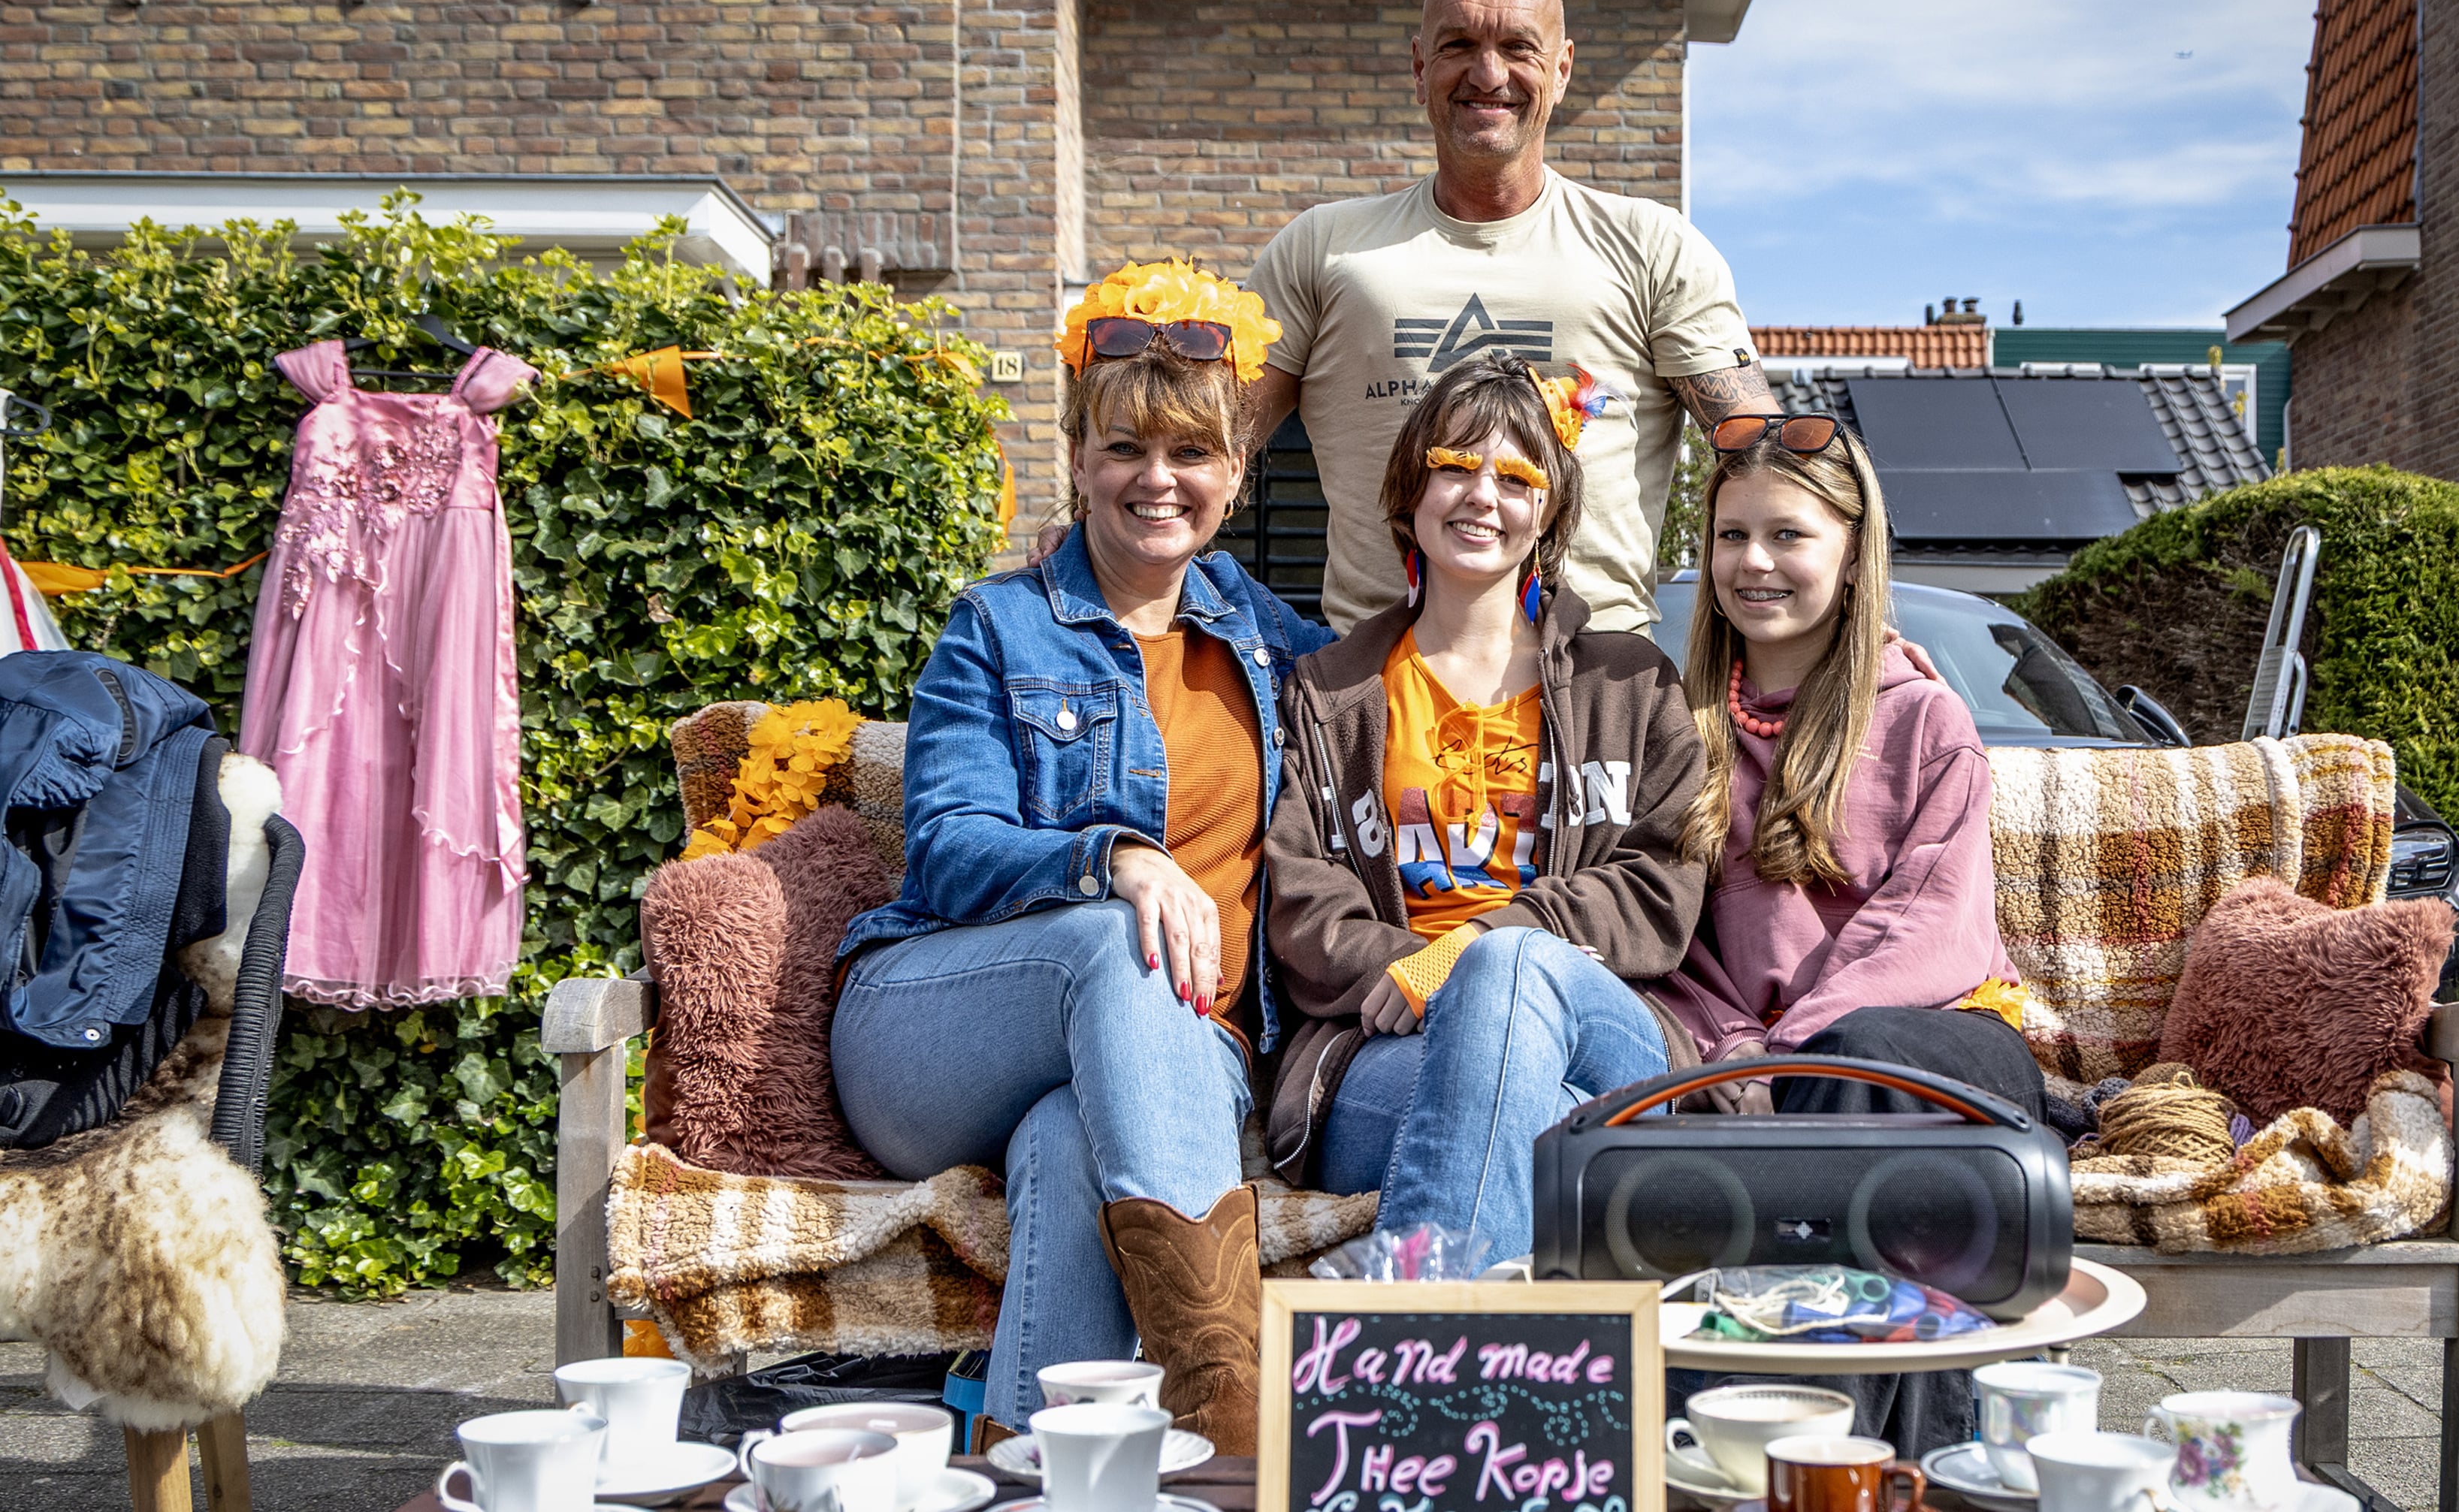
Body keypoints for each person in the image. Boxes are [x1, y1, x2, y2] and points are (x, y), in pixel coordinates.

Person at [826, 261, 1325, 1448]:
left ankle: (1030, 1464)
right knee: (1119, 935)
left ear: (1236, 473)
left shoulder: (1266, 635)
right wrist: (1114, 857)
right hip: (941, 1025)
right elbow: (945, 847)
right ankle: (1231, 1417)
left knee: (1066, 1134)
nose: (1159, 479)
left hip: (1177, 1047)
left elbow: (1411, 673)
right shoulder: (996, 625)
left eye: (1192, 452)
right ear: (1080, 459)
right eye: (1125, 449)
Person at [1261, 352, 1707, 1265]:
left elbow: (1663, 881)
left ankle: (1420, 1337)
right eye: (1455, 467)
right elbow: (1300, 895)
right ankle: (1496, 1348)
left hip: (1601, 1025)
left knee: (1506, 966)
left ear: (1547, 510)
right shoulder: (1328, 693)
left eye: (1515, 476)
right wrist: (1424, 970)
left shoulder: (1628, 683)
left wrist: (1481, 949)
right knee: (1539, 1130)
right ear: (1410, 490)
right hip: (1381, 1044)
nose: (1482, 496)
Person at [1656, 411, 2045, 1456]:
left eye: (1789, 534)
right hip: (1765, 1060)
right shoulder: (1676, 725)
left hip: (1940, 1041)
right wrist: (1731, 1051)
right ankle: (1756, 1455)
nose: (1755, 562)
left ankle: (1837, 1456)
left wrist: (1794, 1048)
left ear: (1851, 548)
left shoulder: (1926, 721)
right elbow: (1667, 936)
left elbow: (1932, 925)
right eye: (1732, 535)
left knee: (1856, 1062)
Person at [1243, 0, 1781, 634]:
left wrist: (1849, 613)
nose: (1488, 73)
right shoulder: (1322, 249)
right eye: (1459, 44)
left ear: (1561, 70)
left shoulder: (1653, 248)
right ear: (1419, 66)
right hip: (1375, 696)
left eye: (1519, 47)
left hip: (1595, 696)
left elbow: (1766, 459)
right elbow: (1202, 441)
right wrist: (1085, 547)